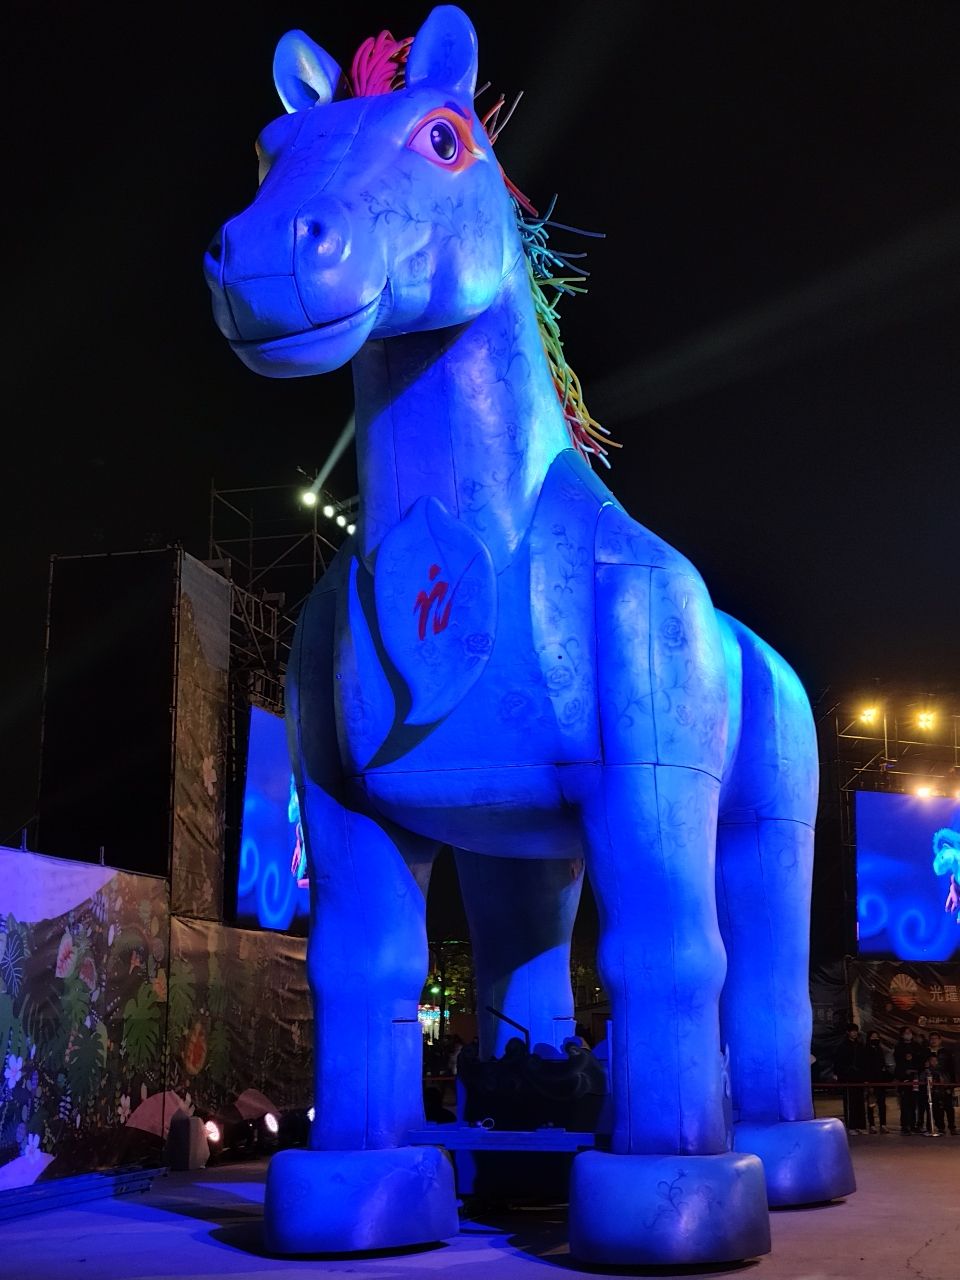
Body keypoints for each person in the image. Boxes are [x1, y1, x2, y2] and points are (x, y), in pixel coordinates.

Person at [833, 1023, 868, 1133]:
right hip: (848, 1078)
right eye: (852, 1031)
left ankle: (861, 1126)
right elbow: (838, 1062)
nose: (854, 1033)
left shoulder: (860, 1045)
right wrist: (842, 1073)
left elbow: (864, 1061)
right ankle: (851, 1126)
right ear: (848, 1032)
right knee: (850, 1102)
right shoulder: (842, 1046)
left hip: (859, 1077)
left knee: (860, 1102)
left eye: (856, 1031)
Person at [894, 1026, 927, 1134]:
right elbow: (898, 1062)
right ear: (902, 1034)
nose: (908, 1034)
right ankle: (905, 1126)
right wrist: (904, 1071)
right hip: (904, 1078)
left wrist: (916, 1067)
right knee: (905, 1103)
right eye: (906, 1032)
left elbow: (921, 1059)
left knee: (914, 1102)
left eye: (909, 1032)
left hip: (916, 1077)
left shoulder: (916, 1046)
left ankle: (913, 1125)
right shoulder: (899, 1047)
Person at [920, 1053, 957, 1136]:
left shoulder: (943, 1070)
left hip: (945, 1092)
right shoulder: (927, 1071)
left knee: (950, 1110)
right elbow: (922, 1079)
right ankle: (941, 1128)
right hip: (934, 1094)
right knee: (938, 1112)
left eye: (935, 1060)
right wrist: (927, 1070)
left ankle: (952, 1127)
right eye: (932, 1060)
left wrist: (949, 1088)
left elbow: (948, 1079)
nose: (934, 1062)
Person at [863, 1030, 892, 1133]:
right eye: (873, 1037)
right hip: (871, 1081)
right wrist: (867, 1080)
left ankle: (883, 1124)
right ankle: (872, 1125)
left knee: (882, 1103)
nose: (875, 1039)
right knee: (871, 1104)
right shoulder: (865, 1050)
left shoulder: (880, 1050)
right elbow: (865, 1066)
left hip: (880, 1080)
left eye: (877, 1037)